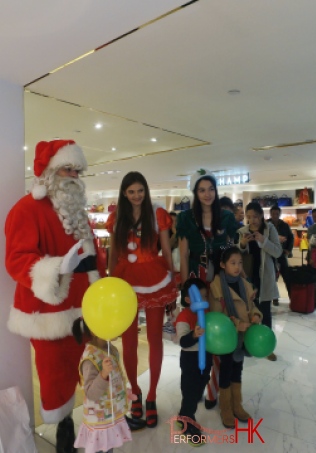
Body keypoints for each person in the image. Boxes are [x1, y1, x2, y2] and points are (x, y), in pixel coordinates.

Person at [5, 140, 105, 453]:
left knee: (90, 372)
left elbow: (92, 256)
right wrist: (59, 267)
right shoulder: (26, 209)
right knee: (56, 377)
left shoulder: (76, 211)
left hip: (86, 308)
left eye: (77, 170)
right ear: (50, 171)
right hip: (50, 314)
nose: (74, 175)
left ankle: (97, 431)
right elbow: (17, 259)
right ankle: (64, 438)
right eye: (68, 168)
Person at [106, 171, 177, 428]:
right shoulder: (116, 218)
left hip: (154, 277)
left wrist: (171, 284)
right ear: (124, 193)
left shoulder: (157, 215)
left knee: (156, 337)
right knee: (129, 340)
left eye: (140, 190)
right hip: (124, 279)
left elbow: (167, 250)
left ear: (146, 192)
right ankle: (134, 392)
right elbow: (114, 253)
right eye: (131, 191)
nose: (136, 196)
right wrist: (110, 284)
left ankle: (151, 396)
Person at [176, 169, 237, 409]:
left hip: (219, 282)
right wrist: (184, 287)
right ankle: (197, 384)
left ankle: (214, 390)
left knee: (219, 330)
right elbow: (182, 254)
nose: (207, 194)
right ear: (195, 193)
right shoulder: (186, 219)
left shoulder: (227, 219)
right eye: (202, 190)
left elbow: (233, 251)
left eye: (211, 189)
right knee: (198, 333)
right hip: (196, 281)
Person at [72, 317, 145, 453]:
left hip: (109, 415)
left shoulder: (110, 348)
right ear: (94, 331)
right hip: (99, 420)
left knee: (108, 448)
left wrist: (123, 392)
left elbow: (115, 378)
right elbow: (91, 393)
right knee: (101, 449)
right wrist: (103, 374)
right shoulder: (90, 358)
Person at [209, 246, 261, 428]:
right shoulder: (216, 287)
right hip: (226, 339)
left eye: (240, 263)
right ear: (222, 265)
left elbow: (251, 306)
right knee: (226, 371)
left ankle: (236, 405)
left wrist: (255, 315)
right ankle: (226, 408)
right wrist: (238, 324)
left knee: (237, 370)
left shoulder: (244, 284)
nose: (237, 267)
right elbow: (217, 319)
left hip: (242, 337)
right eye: (233, 263)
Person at [238, 202, 282, 360]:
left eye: (255, 216)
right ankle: (248, 345)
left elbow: (278, 252)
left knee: (265, 313)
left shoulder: (270, 230)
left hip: (265, 277)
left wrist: (264, 241)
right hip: (247, 277)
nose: (252, 220)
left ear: (262, 216)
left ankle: (267, 347)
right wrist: (242, 245)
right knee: (247, 311)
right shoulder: (242, 231)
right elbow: (236, 256)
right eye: (249, 217)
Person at [175, 278, 212, 447]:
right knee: (190, 392)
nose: (204, 300)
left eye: (206, 296)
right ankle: (187, 423)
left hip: (206, 356)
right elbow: (183, 341)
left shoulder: (206, 312)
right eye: (200, 297)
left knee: (201, 385)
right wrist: (193, 335)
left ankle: (183, 415)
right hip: (190, 359)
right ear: (189, 299)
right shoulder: (184, 316)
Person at [267, 204, 294, 306]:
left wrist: (288, 249)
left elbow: (291, 237)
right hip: (270, 255)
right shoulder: (266, 224)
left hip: (282, 254)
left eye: (277, 214)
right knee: (272, 277)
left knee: (286, 275)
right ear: (270, 214)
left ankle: (292, 298)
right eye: (273, 214)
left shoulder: (284, 225)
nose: (275, 215)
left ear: (279, 214)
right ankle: (274, 298)